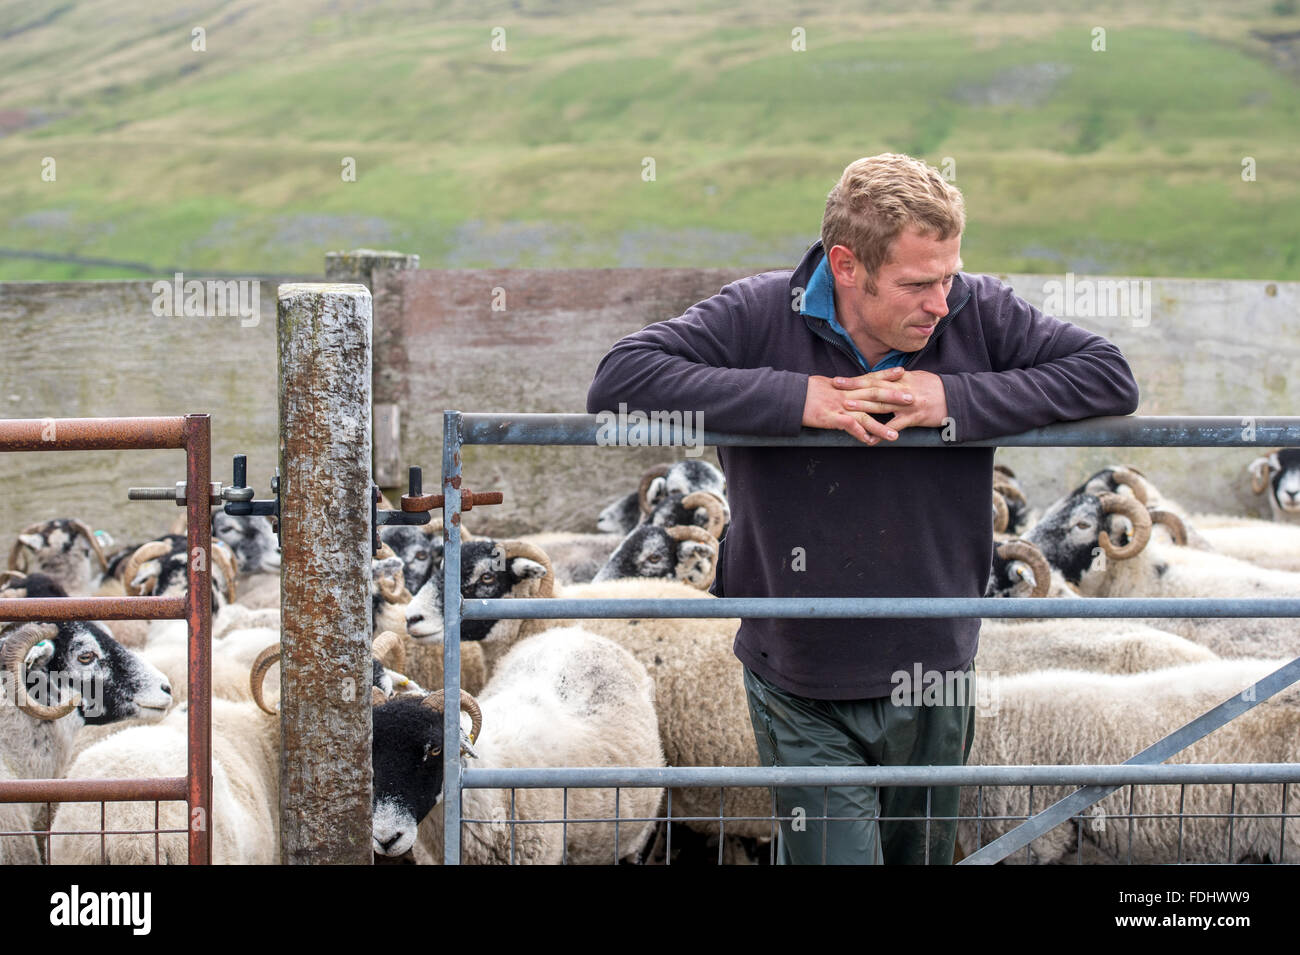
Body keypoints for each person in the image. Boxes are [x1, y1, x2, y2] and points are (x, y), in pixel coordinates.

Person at [585, 153, 1140, 864]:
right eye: (917, 284)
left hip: (936, 665)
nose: (941, 303)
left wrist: (956, 400)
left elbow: (1109, 374)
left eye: (948, 275)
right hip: (801, 671)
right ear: (846, 266)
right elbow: (619, 381)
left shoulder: (976, 310)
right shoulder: (760, 314)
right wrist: (796, 399)